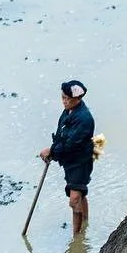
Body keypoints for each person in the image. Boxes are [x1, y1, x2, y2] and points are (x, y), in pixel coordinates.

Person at [40, 79, 95, 237]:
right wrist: (53, 150)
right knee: (80, 193)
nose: (64, 101)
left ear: (77, 98)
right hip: (70, 161)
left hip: (80, 161)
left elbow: (70, 144)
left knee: (74, 199)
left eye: (67, 98)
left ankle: (77, 239)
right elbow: (61, 136)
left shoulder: (85, 119)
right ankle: (85, 223)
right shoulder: (68, 111)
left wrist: (51, 151)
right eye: (62, 97)